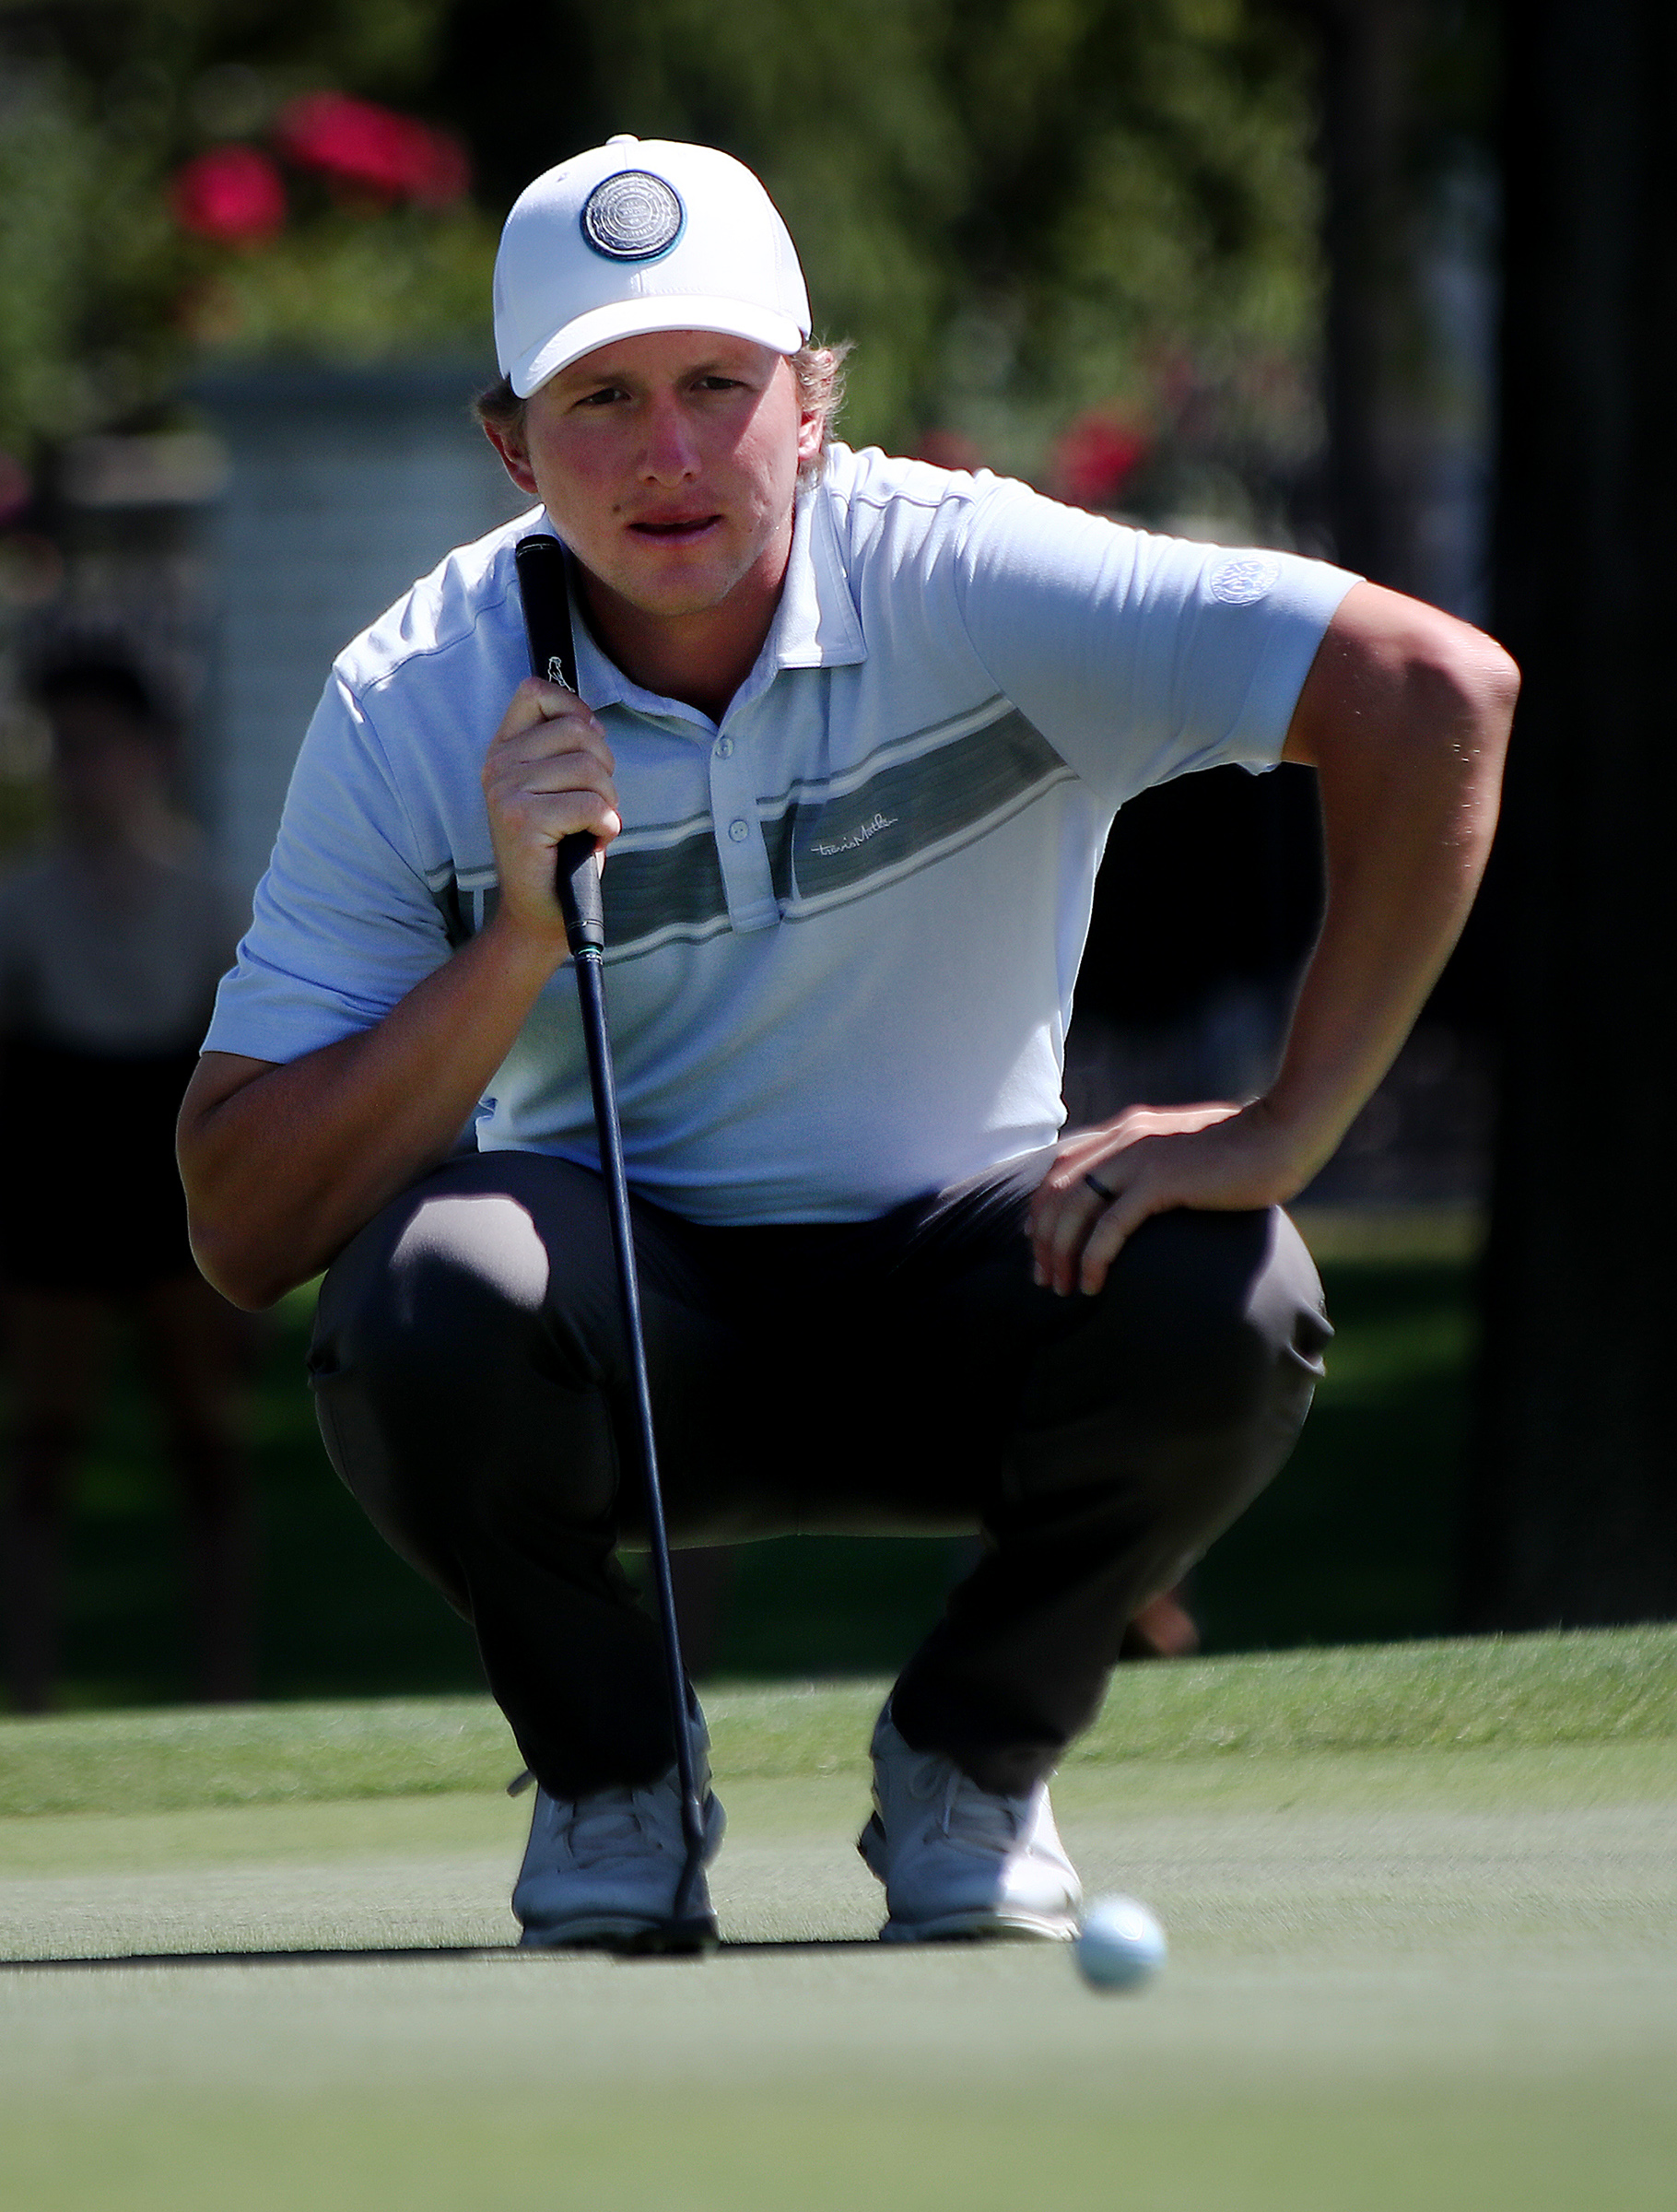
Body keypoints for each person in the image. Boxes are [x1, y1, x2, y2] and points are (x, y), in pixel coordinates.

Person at [177, 137, 1516, 1949]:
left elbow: (1437, 692)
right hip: (630, 1353)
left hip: (978, 1302)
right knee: (429, 1289)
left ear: (809, 401)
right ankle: (611, 1788)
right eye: (603, 398)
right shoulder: (414, 695)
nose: (667, 450)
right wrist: (510, 944)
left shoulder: (969, 582)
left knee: (1239, 1283)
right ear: (513, 445)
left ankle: (971, 1763)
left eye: (718, 385)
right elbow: (244, 1226)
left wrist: (1288, 1128)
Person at [1, 651, 253, 1710]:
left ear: (157, 755)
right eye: (67, 747)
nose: (82, 769)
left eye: (101, 744)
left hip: (174, 1194)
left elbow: (246, 1075)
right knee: (42, 1452)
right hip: (57, 1191)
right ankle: (28, 1690)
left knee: (208, 1450)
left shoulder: (209, 901)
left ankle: (227, 1688)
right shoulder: (20, 907)